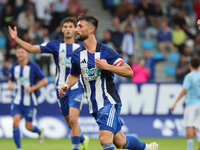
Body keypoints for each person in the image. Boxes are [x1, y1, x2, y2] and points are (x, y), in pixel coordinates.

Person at [59, 14, 158, 150]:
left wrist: (107, 66)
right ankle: (148, 148)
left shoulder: (106, 51)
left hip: (108, 102)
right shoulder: (77, 55)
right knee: (120, 142)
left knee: (104, 139)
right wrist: (66, 85)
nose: (76, 29)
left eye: (80, 26)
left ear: (91, 30)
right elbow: (74, 75)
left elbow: (128, 71)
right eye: (77, 26)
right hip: (94, 105)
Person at [8, 17, 89, 150]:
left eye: (70, 26)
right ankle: (82, 140)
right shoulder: (56, 45)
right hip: (60, 90)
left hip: (76, 88)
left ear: (75, 29)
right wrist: (16, 39)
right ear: (62, 29)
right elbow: (32, 48)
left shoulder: (82, 47)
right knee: (71, 124)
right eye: (65, 26)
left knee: (74, 120)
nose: (68, 29)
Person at [8, 46, 48, 150]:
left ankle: (39, 131)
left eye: (22, 52)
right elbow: (12, 79)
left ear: (26, 54)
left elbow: (44, 81)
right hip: (17, 100)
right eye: (19, 52)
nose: (20, 54)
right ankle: (19, 148)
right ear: (16, 55)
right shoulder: (14, 68)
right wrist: (10, 84)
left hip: (30, 101)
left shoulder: (33, 66)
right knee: (15, 122)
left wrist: (32, 88)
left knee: (28, 127)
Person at [172, 57, 200, 150]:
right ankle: (199, 137)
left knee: (189, 125)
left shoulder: (189, 76)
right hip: (199, 104)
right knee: (195, 125)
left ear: (190, 65)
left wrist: (175, 102)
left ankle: (190, 148)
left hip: (191, 104)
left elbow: (184, 90)